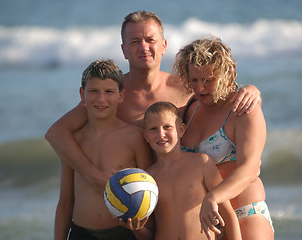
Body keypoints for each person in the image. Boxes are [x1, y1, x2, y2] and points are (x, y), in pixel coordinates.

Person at [45, 10, 262, 195]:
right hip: (131, 199)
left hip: (177, 197)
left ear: (164, 45)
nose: (144, 47)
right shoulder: (113, 94)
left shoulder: (187, 88)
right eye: (135, 41)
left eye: (150, 40)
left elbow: (220, 98)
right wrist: (93, 176)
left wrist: (252, 90)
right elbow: (56, 134)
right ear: (124, 50)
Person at [175, 37, 274, 239]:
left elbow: (250, 169)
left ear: (225, 75)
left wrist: (214, 196)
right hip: (206, 221)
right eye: (194, 79)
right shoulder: (190, 110)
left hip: (245, 213)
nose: (200, 87)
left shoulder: (243, 108)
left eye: (208, 80)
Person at [54, 60, 153, 240]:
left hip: (124, 232)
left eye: (109, 92)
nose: (101, 99)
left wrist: (142, 230)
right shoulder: (74, 141)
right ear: (82, 94)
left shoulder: (135, 137)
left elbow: (150, 191)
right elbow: (66, 201)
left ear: (121, 96)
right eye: (93, 91)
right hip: (81, 232)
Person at [131, 101, 241, 240]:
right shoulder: (147, 179)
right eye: (153, 129)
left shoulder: (201, 163)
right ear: (145, 136)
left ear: (181, 130)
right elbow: (150, 233)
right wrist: (138, 229)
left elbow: (228, 215)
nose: (161, 134)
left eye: (167, 127)